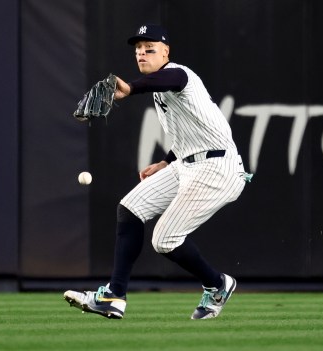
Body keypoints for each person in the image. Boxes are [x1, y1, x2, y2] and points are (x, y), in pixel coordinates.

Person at [64, 24, 252, 320]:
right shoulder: (161, 87)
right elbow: (194, 131)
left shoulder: (179, 74)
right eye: (138, 50)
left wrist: (131, 88)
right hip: (186, 164)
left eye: (150, 49)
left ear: (166, 52)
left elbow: (172, 78)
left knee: (164, 240)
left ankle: (218, 284)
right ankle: (115, 296)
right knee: (130, 208)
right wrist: (167, 161)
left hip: (218, 168)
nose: (142, 54)